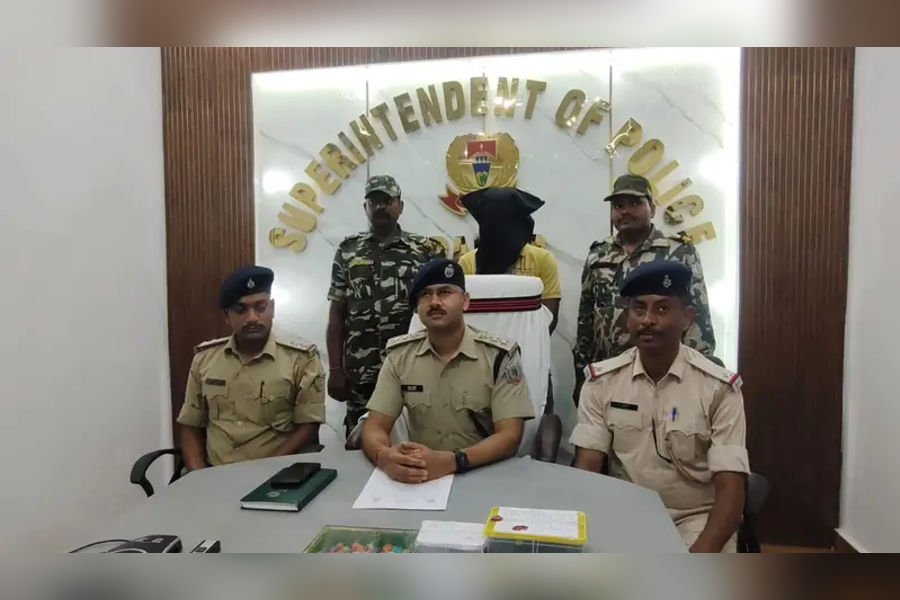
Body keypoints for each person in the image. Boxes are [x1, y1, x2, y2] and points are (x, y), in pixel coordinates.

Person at [570, 261, 748, 552]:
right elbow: (587, 468)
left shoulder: (719, 388)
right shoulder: (601, 382)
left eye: (662, 309)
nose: (648, 320)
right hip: (624, 514)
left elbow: (731, 488)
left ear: (687, 318)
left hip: (697, 518)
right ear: (627, 317)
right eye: (638, 309)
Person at [361, 258, 535, 483]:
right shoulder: (400, 356)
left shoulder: (499, 356)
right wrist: (384, 457)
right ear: (417, 307)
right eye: (425, 294)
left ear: (465, 301)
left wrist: (453, 462)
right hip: (422, 477)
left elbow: (510, 436)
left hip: (483, 473)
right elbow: (375, 426)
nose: (434, 302)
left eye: (444, 292)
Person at [573, 173, 716, 405]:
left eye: (634, 203)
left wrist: (699, 376)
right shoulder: (598, 254)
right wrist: (581, 372)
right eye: (618, 206)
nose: (625, 211)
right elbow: (586, 317)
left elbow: (698, 316)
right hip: (608, 374)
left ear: (652, 208)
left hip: (665, 375)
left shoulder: (679, 252)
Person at [327, 175, 445, 438]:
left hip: (412, 369)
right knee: (360, 441)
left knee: (417, 438)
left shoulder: (425, 250)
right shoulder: (348, 250)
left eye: (387, 201)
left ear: (400, 206)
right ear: (365, 207)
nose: (380, 207)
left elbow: (440, 310)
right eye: (374, 202)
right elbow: (337, 313)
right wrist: (335, 370)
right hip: (361, 372)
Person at [177, 266, 325, 470]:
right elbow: (190, 425)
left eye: (260, 307)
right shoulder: (204, 360)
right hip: (214, 474)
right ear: (227, 316)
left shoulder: (301, 360)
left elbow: (308, 428)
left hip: (274, 474)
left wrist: (264, 472)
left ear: (272, 308)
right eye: (241, 310)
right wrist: (199, 477)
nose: (252, 318)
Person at [457, 187, 562, 334]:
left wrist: (526, 343)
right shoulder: (467, 262)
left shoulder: (542, 260)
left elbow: (549, 318)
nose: (496, 228)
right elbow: (461, 315)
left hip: (527, 343)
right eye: (490, 221)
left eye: (502, 220)